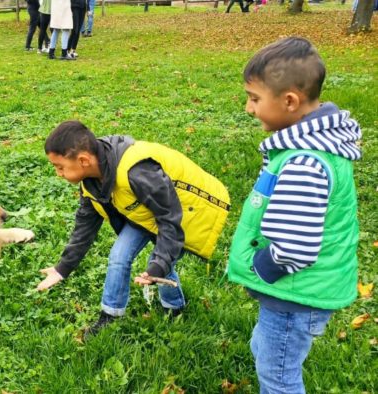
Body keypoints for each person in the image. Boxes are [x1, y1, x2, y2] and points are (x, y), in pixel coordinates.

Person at [227, 37, 363, 393]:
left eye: (254, 98)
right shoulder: (313, 148)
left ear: (289, 101)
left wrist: (262, 267)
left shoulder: (304, 163)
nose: (248, 108)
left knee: (279, 376)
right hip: (300, 291)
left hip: (294, 295)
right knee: (268, 350)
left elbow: (294, 247)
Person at [37, 121, 230, 338]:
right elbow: (85, 225)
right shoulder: (91, 181)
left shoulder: (138, 172)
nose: (58, 173)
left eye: (59, 166)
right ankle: (110, 316)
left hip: (185, 212)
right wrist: (63, 268)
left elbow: (169, 218)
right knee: (118, 255)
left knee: (158, 264)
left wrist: (158, 265)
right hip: (144, 214)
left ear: (83, 160)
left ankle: (174, 308)